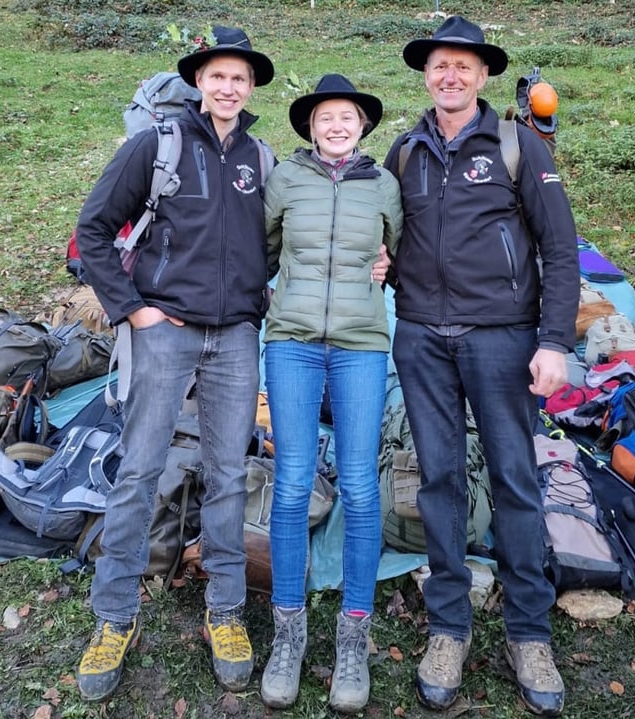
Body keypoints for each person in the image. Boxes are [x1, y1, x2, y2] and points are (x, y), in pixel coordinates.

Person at [72, 25, 277, 701]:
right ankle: (114, 615)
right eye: (217, 76)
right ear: (200, 81)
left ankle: (224, 610)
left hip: (236, 338)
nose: (228, 87)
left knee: (225, 472)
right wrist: (132, 308)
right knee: (139, 469)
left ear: (251, 88)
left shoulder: (263, 159)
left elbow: (274, 245)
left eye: (239, 78)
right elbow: (95, 227)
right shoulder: (156, 146)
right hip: (165, 331)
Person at [385, 16, 580, 718]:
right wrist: (382, 265)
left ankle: (529, 632)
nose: (451, 75)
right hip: (420, 341)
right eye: (440, 65)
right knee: (437, 479)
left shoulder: (516, 145)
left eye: (463, 66)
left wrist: (554, 341)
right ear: (426, 73)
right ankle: (448, 625)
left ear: (483, 75)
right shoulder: (403, 153)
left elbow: (560, 250)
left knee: (515, 480)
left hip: (502, 339)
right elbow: (385, 237)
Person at [259, 74, 402, 713]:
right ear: (310, 127)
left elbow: (403, 250)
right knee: (291, 482)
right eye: (325, 118)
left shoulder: (384, 185)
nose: (337, 126)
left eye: (347, 117)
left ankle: (353, 635)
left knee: (360, 485)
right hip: (289, 342)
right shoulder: (285, 180)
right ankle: (288, 632)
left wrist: (389, 265)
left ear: (362, 125)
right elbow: (263, 250)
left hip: (362, 346)